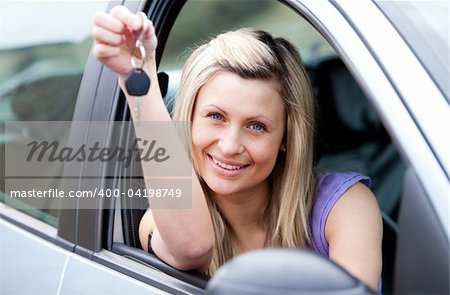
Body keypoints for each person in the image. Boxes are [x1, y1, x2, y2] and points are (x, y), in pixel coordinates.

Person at [92, 6, 382, 292]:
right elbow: (192, 247)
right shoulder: (164, 219)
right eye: (216, 117)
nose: (229, 146)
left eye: (256, 126)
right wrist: (140, 84)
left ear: (285, 138)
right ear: (189, 120)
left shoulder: (344, 206)